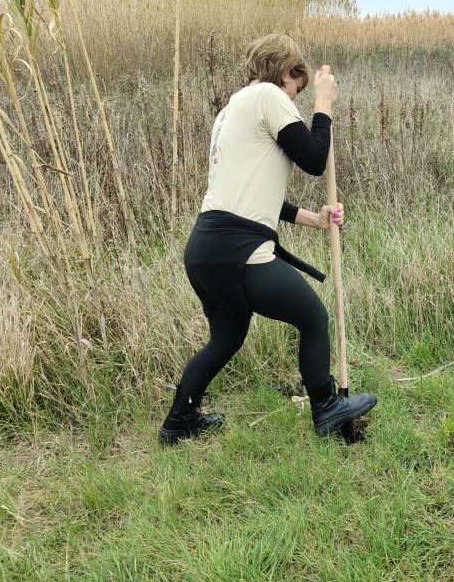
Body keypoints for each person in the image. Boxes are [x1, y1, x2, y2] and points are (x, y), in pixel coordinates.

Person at [159, 33, 377, 445]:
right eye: (298, 86)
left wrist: (312, 218)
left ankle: (179, 421)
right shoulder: (270, 97)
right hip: (238, 247)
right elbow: (314, 159)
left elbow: (253, 191)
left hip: (206, 246)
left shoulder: (229, 111)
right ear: (286, 73)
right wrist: (323, 105)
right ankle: (326, 407)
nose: (295, 98)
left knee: (226, 337)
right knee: (313, 318)